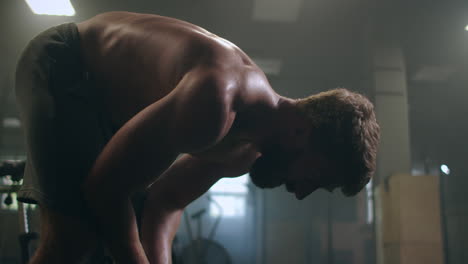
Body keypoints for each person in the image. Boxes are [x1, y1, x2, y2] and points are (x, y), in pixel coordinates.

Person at [15, 11, 380, 264]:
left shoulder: (243, 153)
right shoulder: (218, 101)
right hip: (66, 63)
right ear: (301, 132)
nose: (300, 191)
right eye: (313, 178)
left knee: (104, 236)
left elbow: (166, 201)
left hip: (107, 107)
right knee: (74, 240)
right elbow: (105, 188)